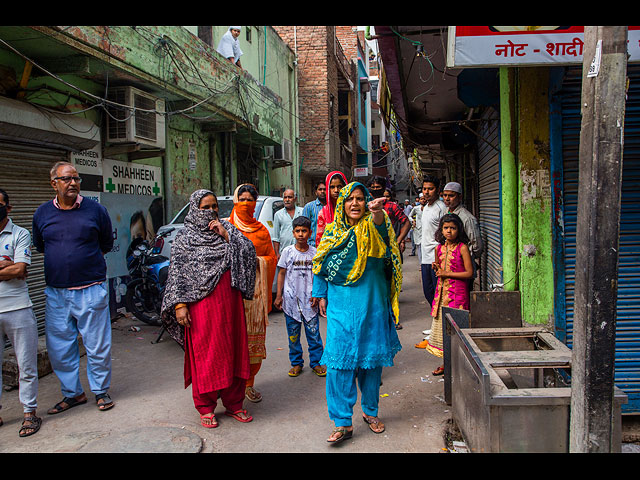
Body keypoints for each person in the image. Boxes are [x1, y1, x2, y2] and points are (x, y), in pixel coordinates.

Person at [312, 182, 403, 444]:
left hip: (373, 303)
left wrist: (376, 212)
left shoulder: (376, 225)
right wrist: (320, 295)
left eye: (360, 199)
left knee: (371, 363)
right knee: (339, 365)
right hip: (341, 306)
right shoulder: (331, 232)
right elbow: (321, 265)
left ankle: (370, 412)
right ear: (341, 203)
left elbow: (382, 231)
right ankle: (342, 422)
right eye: (350, 199)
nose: (355, 203)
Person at [161, 190, 257, 428]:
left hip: (231, 303)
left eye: (214, 206)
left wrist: (226, 236)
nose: (211, 211)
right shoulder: (185, 239)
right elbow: (177, 274)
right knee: (207, 353)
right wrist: (180, 305)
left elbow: (249, 253)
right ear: (195, 209)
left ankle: (234, 403)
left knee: (234, 349)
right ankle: (205, 406)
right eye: (205, 207)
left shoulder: (228, 229)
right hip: (202, 306)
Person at [32, 161, 115, 415]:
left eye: (76, 178)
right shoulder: (42, 213)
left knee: (97, 345)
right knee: (59, 348)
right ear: (54, 183)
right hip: (56, 292)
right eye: (66, 179)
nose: (73, 183)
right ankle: (73, 394)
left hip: (91, 288)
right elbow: (41, 245)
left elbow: (106, 243)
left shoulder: (96, 210)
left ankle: (101, 391)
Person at [228, 183, 277, 403]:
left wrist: (256, 262)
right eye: (243, 199)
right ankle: (229, 386)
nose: (246, 204)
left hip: (255, 298)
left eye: (250, 200)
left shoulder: (261, 231)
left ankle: (248, 384)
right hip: (232, 295)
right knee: (232, 341)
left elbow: (271, 258)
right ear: (235, 202)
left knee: (253, 343)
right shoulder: (226, 229)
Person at [0, 188, 41, 437]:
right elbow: (13, 269)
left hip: (18, 308)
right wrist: (7, 265)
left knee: (26, 364)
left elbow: (20, 271)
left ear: (8, 207)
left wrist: (15, 268)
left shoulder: (20, 233)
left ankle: (29, 413)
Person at [274, 216, 325, 378]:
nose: (301, 234)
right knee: (293, 336)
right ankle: (296, 363)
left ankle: (316, 362)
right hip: (290, 302)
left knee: (314, 335)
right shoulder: (287, 252)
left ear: (310, 233)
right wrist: (279, 295)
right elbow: (281, 273)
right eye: (298, 231)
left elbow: (318, 275)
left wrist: (318, 295)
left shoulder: (315, 253)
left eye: (304, 231)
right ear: (293, 233)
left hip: (310, 302)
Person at [425, 214, 473, 376]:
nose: (449, 231)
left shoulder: (463, 248)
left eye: (453, 228)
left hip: (458, 295)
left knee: (457, 331)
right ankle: (447, 364)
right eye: (446, 228)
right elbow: (439, 269)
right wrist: (436, 268)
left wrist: (447, 273)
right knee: (443, 332)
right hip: (441, 295)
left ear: (458, 230)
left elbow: (469, 273)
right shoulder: (438, 248)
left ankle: (460, 365)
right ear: (441, 230)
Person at [368, 176, 410, 329]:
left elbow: (406, 222)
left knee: (390, 285)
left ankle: (393, 318)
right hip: (371, 253)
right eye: (372, 186)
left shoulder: (390, 206)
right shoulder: (366, 205)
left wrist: (398, 240)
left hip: (388, 251)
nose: (375, 189)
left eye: (378, 186)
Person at [416, 176, 447, 349]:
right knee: (429, 292)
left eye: (430, 189)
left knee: (437, 293)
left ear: (437, 189)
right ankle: (435, 325)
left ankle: (440, 328)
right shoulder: (425, 207)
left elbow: (445, 232)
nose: (426, 192)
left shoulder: (440, 208)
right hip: (425, 256)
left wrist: (440, 257)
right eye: (425, 189)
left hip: (436, 257)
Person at [441, 181, 483, 286]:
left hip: (463, 268)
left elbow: (477, 245)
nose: (447, 198)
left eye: (451, 196)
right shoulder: (446, 213)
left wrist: (466, 257)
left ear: (459, 197)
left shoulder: (467, 218)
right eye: (445, 195)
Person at [315, 171, 347, 246]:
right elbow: (320, 240)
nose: (336, 190)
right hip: (330, 253)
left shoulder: (353, 209)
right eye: (332, 187)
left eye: (339, 186)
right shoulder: (323, 213)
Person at [272, 188, 304, 258]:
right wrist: (277, 254)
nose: (287, 200)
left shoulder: (302, 212)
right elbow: (276, 237)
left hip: (301, 251)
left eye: (290, 197)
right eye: (285, 197)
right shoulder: (278, 214)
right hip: (284, 252)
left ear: (295, 199)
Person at [302, 181, 326, 247]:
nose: (322, 191)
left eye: (325, 189)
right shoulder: (309, 207)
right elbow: (303, 227)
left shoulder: (332, 207)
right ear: (316, 192)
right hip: (313, 246)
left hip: (329, 247)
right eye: (320, 189)